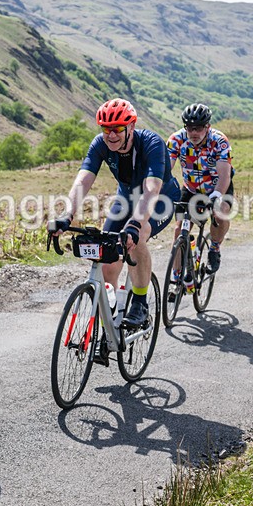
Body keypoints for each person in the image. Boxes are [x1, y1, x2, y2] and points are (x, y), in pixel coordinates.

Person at [52, 98, 180, 334]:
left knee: (137, 236)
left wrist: (135, 223)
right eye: (106, 129)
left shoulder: (152, 143)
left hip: (160, 199)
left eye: (118, 129)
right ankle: (109, 327)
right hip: (126, 199)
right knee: (107, 263)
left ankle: (140, 303)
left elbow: (151, 189)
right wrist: (67, 215)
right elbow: (83, 180)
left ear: (131, 127)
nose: (111, 135)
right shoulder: (100, 144)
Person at [166, 104, 234, 273]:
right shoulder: (176, 140)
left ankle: (214, 249)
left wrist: (216, 196)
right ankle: (176, 278)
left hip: (218, 187)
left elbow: (224, 175)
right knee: (179, 230)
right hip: (191, 189)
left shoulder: (219, 141)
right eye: (189, 128)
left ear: (207, 127)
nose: (194, 133)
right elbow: (165, 169)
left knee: (220, 213)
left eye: (198, 128)